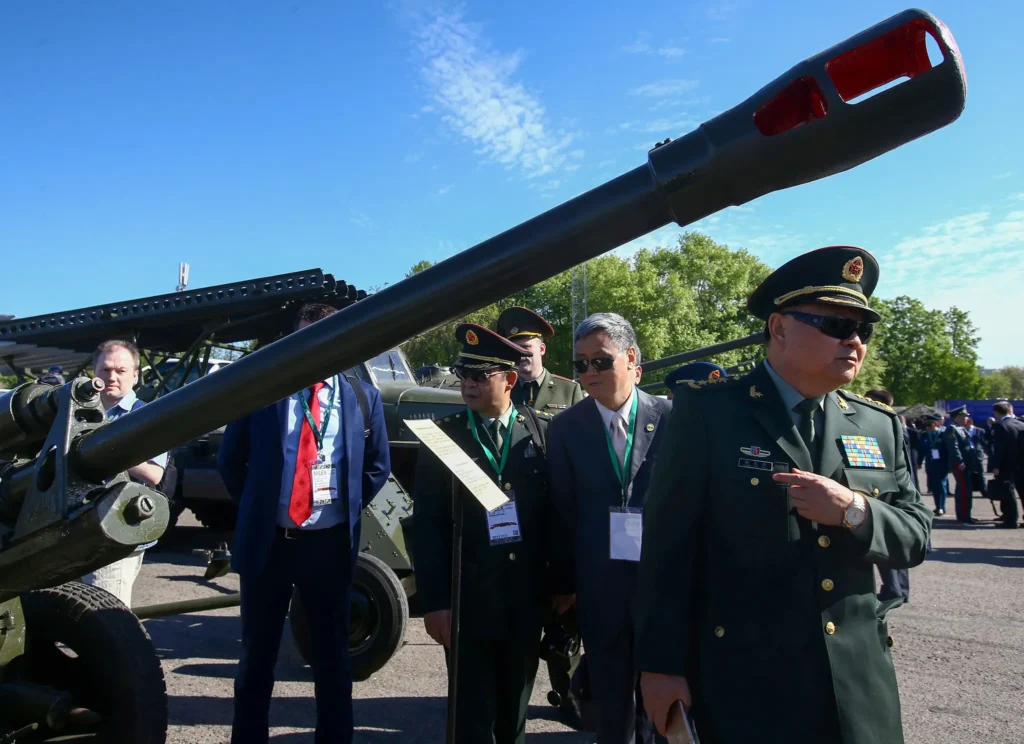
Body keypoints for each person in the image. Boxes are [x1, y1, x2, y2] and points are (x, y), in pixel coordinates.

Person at [636, 246, 931, 744]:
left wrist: (855, 510)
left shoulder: (877, 424)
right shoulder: (709, 413)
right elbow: (667, 549)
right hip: (751, 684)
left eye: (862, 330)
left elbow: (916, 535)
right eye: (836, 325)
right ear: (778, 328)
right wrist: (660, 665)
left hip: (857, 687)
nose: (853, 341)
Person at [217, 302, 391, 744]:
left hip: (327, 546)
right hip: (270, 543)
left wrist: (340, 510)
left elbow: (376, 467)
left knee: (332, 657)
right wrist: (260, 508)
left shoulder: (361, 397)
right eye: (305, 337)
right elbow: (231, 461)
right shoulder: (261, 390)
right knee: (257, 657)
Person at [412, 323, 560, 744]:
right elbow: (428, 527)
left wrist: (561, 585)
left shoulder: (541, 432)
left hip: (524, 601)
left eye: (480, 376)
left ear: (510, 379)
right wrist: (435, 603)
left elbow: (556, 518)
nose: (468, 384)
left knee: (514, 716)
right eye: (464, 374)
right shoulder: (443, 437)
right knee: (471, 719)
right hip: (468, 602)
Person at [547, 312, 672, 744]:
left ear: (631, 357)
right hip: (600, 588)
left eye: (600, 360)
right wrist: (565, 585)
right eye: (580, 364)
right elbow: (563, 513)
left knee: (664, 704)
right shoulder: (565, 428)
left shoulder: (673, 418)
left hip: (662, 587)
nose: (589, 372)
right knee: (612, 705)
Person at [80, 340, 167, 607]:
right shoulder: (79, 413)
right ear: (94, 372)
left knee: (103, 615)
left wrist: (104, 449)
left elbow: (154, 474)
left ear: (135, 375)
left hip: (114, 536)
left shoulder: (148, 415)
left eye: (121, 370)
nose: (112, 377)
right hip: (75, 531)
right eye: (105, 370)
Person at [496, 306, 585, 413]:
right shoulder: (503, 389)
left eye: (525, 347)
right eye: (514, 349)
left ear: (542, 349)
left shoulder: (568, 390)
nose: (519, 354)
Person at [991, 401, 1024, 528]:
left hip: (1007, 464)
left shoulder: (1000, 426)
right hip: (1021, 463)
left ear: (996, 413)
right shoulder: (1021, 424)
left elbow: (999, 448)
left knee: (1008, 493)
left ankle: (1010, 520)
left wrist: (996, 465)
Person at [944, 405, 978, 523]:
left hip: (966, 463)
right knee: (964, 490)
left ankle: (965, 513)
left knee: (966, 489)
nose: (966, 418)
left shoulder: (960, 428)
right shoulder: (952, 429)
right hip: (960, 464)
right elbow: (954, 447)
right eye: (964, 416)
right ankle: (964, 515)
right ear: (958, 416)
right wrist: (960, 461)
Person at [919, 414, 951, 516]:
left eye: (930, 424)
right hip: (930, 464)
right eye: (926, 425)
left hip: (941, 464)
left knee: (941, 485)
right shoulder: (924, 435)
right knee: (934, 486)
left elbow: (949, 451)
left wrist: (949, 465)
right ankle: (938, 506)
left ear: (936, 423)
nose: (928, 427)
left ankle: (942, 507)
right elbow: (921, 450)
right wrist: (919, 462)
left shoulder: (942, 434)